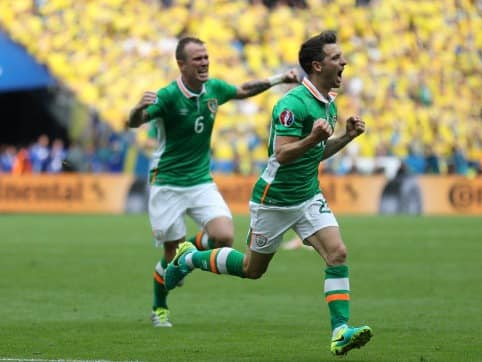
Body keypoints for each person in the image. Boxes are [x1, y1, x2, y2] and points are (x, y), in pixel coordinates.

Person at [163, 30, 372, 357]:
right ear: (317, 66)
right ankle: (188, 257)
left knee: (338, 253)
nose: (344, 62)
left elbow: (315, 153)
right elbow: (283, 153)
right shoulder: (291, 105)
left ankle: (340, 331)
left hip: (307, 196)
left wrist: (346, 138)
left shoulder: (328, 105)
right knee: (252, 269)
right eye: (336, 58)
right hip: (274, 201)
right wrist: (313, 138)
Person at [126, 36, 300, 327]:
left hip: (200, 180)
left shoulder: (214, 89)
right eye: (198, 59)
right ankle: (160, 306)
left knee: (223, 235)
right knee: (170, 260)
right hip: (167, 182)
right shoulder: (169, 96)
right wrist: (135, 108)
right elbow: (135, 121)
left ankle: (187, 253)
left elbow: (244, 90)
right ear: (181, 65)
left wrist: (279, 78)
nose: (205, 62)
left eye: (206, 57)